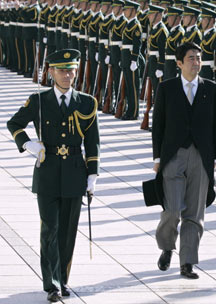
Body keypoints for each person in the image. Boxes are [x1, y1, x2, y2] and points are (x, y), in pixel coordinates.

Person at [7, 49, 100, 302]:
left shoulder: (86, 102)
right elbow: (13, 123)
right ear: (51, 72)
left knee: (67, 231)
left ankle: (63, 279)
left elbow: (93, 143)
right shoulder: (38, 101)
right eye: (61, 70)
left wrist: (93, 176)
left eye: (71, 70)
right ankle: (52, 285)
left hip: (74, 173)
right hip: (47, 172)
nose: (67, 75)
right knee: (49, 229)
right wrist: (28, 144)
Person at [151, 42, 216, 279]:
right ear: (179, 63)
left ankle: (187, 262)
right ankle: (166, 246)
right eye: (191, 58)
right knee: (172, 209)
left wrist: (215, 158)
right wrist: (158, 157)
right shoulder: (167, 88)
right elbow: (158, 125)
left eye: (199, 58)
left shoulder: (211, 89)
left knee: (195, 212)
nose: (196, 62)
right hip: (173, 156)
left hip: (200, 157)